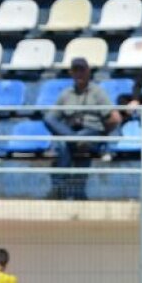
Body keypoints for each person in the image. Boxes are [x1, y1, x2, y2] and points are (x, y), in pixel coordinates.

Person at [45, 58, 122, 200]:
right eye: (75, 70)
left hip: (91, 131)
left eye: (82, 70)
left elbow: (114, 118)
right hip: (71, 132)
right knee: (54, 129)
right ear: (71, 73)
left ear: (88, 72)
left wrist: (103, 134)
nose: (79, 73)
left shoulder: (98, 92)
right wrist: (71, 136)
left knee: (64, 144)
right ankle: (74, 141)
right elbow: (52, 118)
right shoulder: (66, 94)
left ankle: (58, 189)